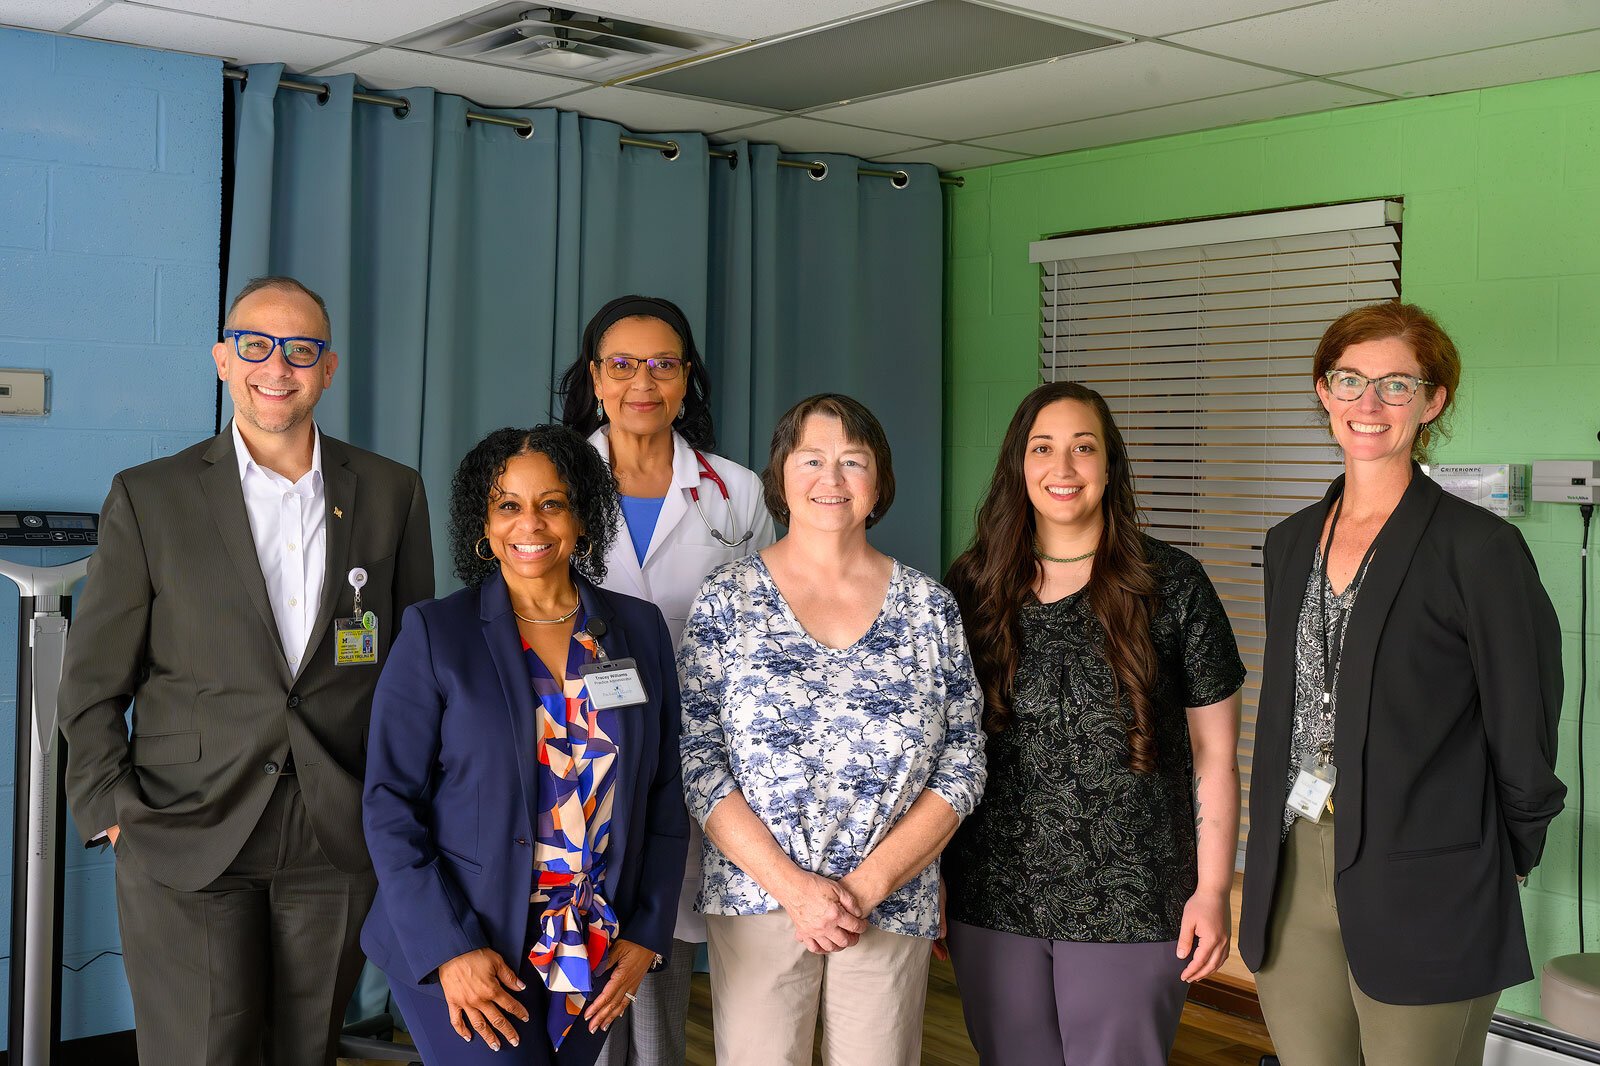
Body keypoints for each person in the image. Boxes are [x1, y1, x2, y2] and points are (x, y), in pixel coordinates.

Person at [56, 275, 435, 1066]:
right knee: (202, 1052)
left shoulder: (391, 492)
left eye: (302, 350)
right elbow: (92, 683)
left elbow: (409, 672)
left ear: (327, 370)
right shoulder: (149, 497)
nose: (278, 366)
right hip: (184, 822)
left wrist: (398, 805)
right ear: (224, 360)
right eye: (256, 346)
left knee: (308, 1051)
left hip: (335, 829)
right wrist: (112, 810)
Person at [1237, 302, 1565, 1066]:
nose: (1369, 405)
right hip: (1294, 868)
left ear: (1433, 401)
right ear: (1323, 390)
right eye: (1350, 381)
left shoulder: (1480, 550)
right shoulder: (1289, 544)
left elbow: (1524, 721)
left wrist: (1504, 852)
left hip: (1431, 873)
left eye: (1396, 385)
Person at [361, 425, 690, 1066]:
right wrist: (449, 948)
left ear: (583, 519)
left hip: (592, 947)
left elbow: (665, 793)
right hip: (468, 943)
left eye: (552, 503)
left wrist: (648, 931)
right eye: (508, 505)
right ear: (483, 527)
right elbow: (389, 803)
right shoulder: (438, 633)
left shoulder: (637, 629)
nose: (530, 523)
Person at [940, 381, 1245, 1066]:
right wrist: (933, 875)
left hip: (1134, 894)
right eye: (1043, 448)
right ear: (1019, 464)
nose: (1064, 468)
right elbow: (944, 750)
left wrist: (1213, 890)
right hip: (992, 894)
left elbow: (1215, 756)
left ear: (1111, 466)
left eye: (1085, 448)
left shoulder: (1173, 584)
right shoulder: (972, 586)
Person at [678, 393, 986, 1066]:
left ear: (880, 483)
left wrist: (867, 886)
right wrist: (795, 888)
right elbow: (698, 759)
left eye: (854, 461)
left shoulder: (930, 608)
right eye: (812, 459)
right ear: (781, 477)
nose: (832, 479)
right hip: (760, 895)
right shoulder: (727, 601)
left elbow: (964, 761)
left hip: (891, 897)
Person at [557, 295, 774, 1066]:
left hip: (695, 756)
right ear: (594, 377)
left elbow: (768, 628)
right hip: (572, 753)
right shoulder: (553, 481)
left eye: (663, 364)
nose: (642, 382)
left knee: (663, 955)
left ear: (688, 382)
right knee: (576, 962)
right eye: (622, 364)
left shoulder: (737, 493)